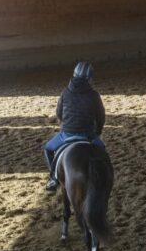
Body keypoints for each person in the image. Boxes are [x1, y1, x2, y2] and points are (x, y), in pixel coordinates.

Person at [43, 61, 106, 191]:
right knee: (102, 150)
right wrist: (98, 131)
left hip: (67, 134)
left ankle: (53, 178)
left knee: (48, 149)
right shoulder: (94, 95)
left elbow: (59, 113)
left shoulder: (65, 92)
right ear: (89, 78)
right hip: (88, 135)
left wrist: (66, 124)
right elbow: (100, 117)